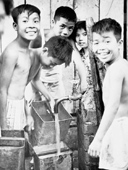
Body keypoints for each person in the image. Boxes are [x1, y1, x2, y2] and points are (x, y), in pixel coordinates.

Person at [0, 4, 73, 132]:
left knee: (20, 142)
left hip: (19, 104)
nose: (51, 67)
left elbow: (26, 85)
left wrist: (28, 114)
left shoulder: (35, 56)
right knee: (8, 144)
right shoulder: (13, 53)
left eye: (35, 21)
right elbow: (2, 90)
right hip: (7, 107)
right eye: (52, 63)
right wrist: (4, 126)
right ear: (15, 26)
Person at [88, 18, 128, 170]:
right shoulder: (123, 64)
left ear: (119, 43)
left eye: (107, 41)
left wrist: (98, 139)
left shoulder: (116, 69)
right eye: (96, 42)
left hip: (118, 129)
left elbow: (112, 107)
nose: (101, 47)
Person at [28, 6, 87, 104]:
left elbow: (78, 61)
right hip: (35, 83)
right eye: (62, 26)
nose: (65, 32)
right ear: (53, 22)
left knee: (59, 112)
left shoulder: (67, 40)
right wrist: (35, 92)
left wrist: (83, 81)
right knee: (35, 113)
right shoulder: (38, 37)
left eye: (70, 28)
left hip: (56, 84)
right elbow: (30, 69)